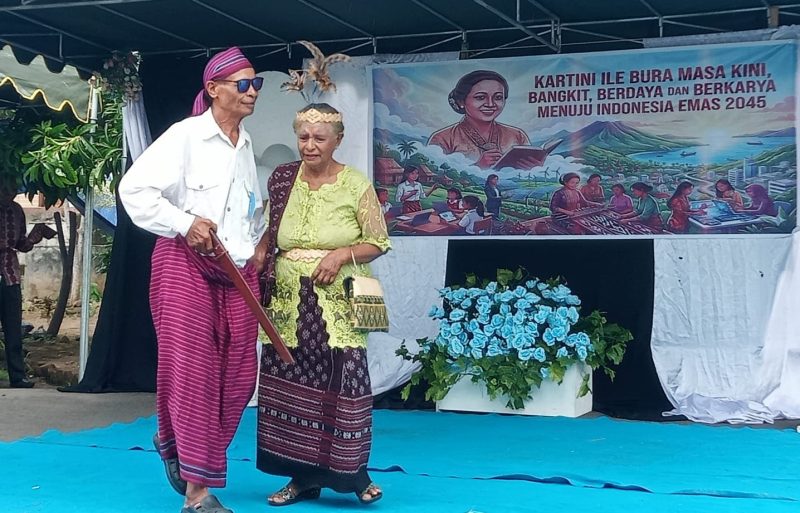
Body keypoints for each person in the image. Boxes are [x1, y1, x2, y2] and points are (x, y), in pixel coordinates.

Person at [118, 47, 266, 513]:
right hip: (184, 266)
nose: (253, 92)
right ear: (213, 89)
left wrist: (257, 248)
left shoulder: (246, 145)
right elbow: (133, 190)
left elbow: (250, 212)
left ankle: (173, 442)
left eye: (257, 83)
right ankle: (198, 493)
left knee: (239, 378)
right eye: (243, 84)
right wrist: (185, 223)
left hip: (236, 273)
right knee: (193, 374)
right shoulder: (185, 136)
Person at [256, 103, 391, 507]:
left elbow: (378, 241)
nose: (310, 145)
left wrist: (341, 255)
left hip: (340, 299)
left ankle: (354, 474)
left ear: (338, 140)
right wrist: (260, 252)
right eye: (303, 137)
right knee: (292, 383)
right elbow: (271, 231)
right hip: (288, 301)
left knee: (346, 379)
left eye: (319, 138)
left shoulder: (356, 184)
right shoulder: (283, 180)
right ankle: (301, 478)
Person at [0, 181, 56, 389]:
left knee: (13, 329)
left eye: (13, 190)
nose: (10, 194)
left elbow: (21, 244)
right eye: (5, 189)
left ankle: (18, 377)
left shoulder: (16, 210)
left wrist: (36, 234)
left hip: (10, 276)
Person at [428, 70, 532, 169]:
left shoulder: (517, 136)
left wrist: (534, 168)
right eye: (480, 97)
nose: (490, 104)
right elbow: (434, 174)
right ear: (461, 101)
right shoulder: (442, 139)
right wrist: (478, 166)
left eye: (498, 98)